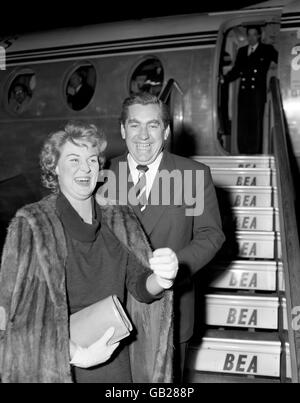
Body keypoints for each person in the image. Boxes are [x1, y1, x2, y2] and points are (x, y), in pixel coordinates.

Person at [0, 121, 177, 383]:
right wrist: (74, 353)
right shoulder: (32, 224)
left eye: (92, 160)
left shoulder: (119, 218)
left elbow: (139, 286)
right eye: (74, 160)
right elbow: (8, 313)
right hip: (58, 365)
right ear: (54, 168)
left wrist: (162, 279)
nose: (85, 168)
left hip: (115, 358)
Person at [101, 94, 225, 381]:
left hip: (171, 309)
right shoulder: (102, 174)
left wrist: (173, 268)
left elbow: (210, 235)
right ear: (122, 130)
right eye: (134, 125)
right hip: (113, 310)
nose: (143, 135)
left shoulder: (193, 175)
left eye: (153, 125)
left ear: (166, 131)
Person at [222, 26, 278, 154]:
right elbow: (236, 70)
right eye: (249, 35)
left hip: (257, 92)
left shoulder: (267, 49)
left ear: (259, 36)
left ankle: (254, 151)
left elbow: (282, 59)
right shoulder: (242, 51)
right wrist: (224, 79)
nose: (251, 38)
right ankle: (243, 150)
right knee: (242, 122)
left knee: (255, 123)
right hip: (243, 92)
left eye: (254, 35)